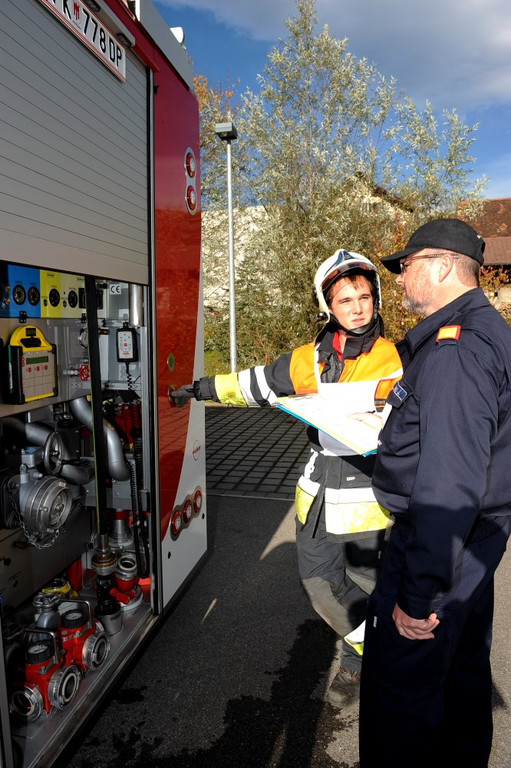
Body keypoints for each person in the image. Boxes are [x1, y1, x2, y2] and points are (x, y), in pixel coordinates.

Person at [171, 249, 402, 708]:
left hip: (367, 492)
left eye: (364, 297)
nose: (358, 308)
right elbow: (254, 384)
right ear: (328, 307)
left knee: (367, 585)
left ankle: (359, 664)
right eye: (345, 300)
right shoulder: (309, 360)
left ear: (375, 299)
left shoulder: (396, 358)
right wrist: (200, 389)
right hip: (316, 489)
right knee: (319, 584)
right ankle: (373, 647)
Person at [359, 218, 511, 767]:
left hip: (441, 551)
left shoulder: (455, 349)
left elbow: (449, 483)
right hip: (471, 546)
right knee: (461, 683)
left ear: (444, 265)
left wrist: (419, 595)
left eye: (407, 265)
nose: (399, 278)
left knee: (403, 703)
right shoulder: (486, 331)